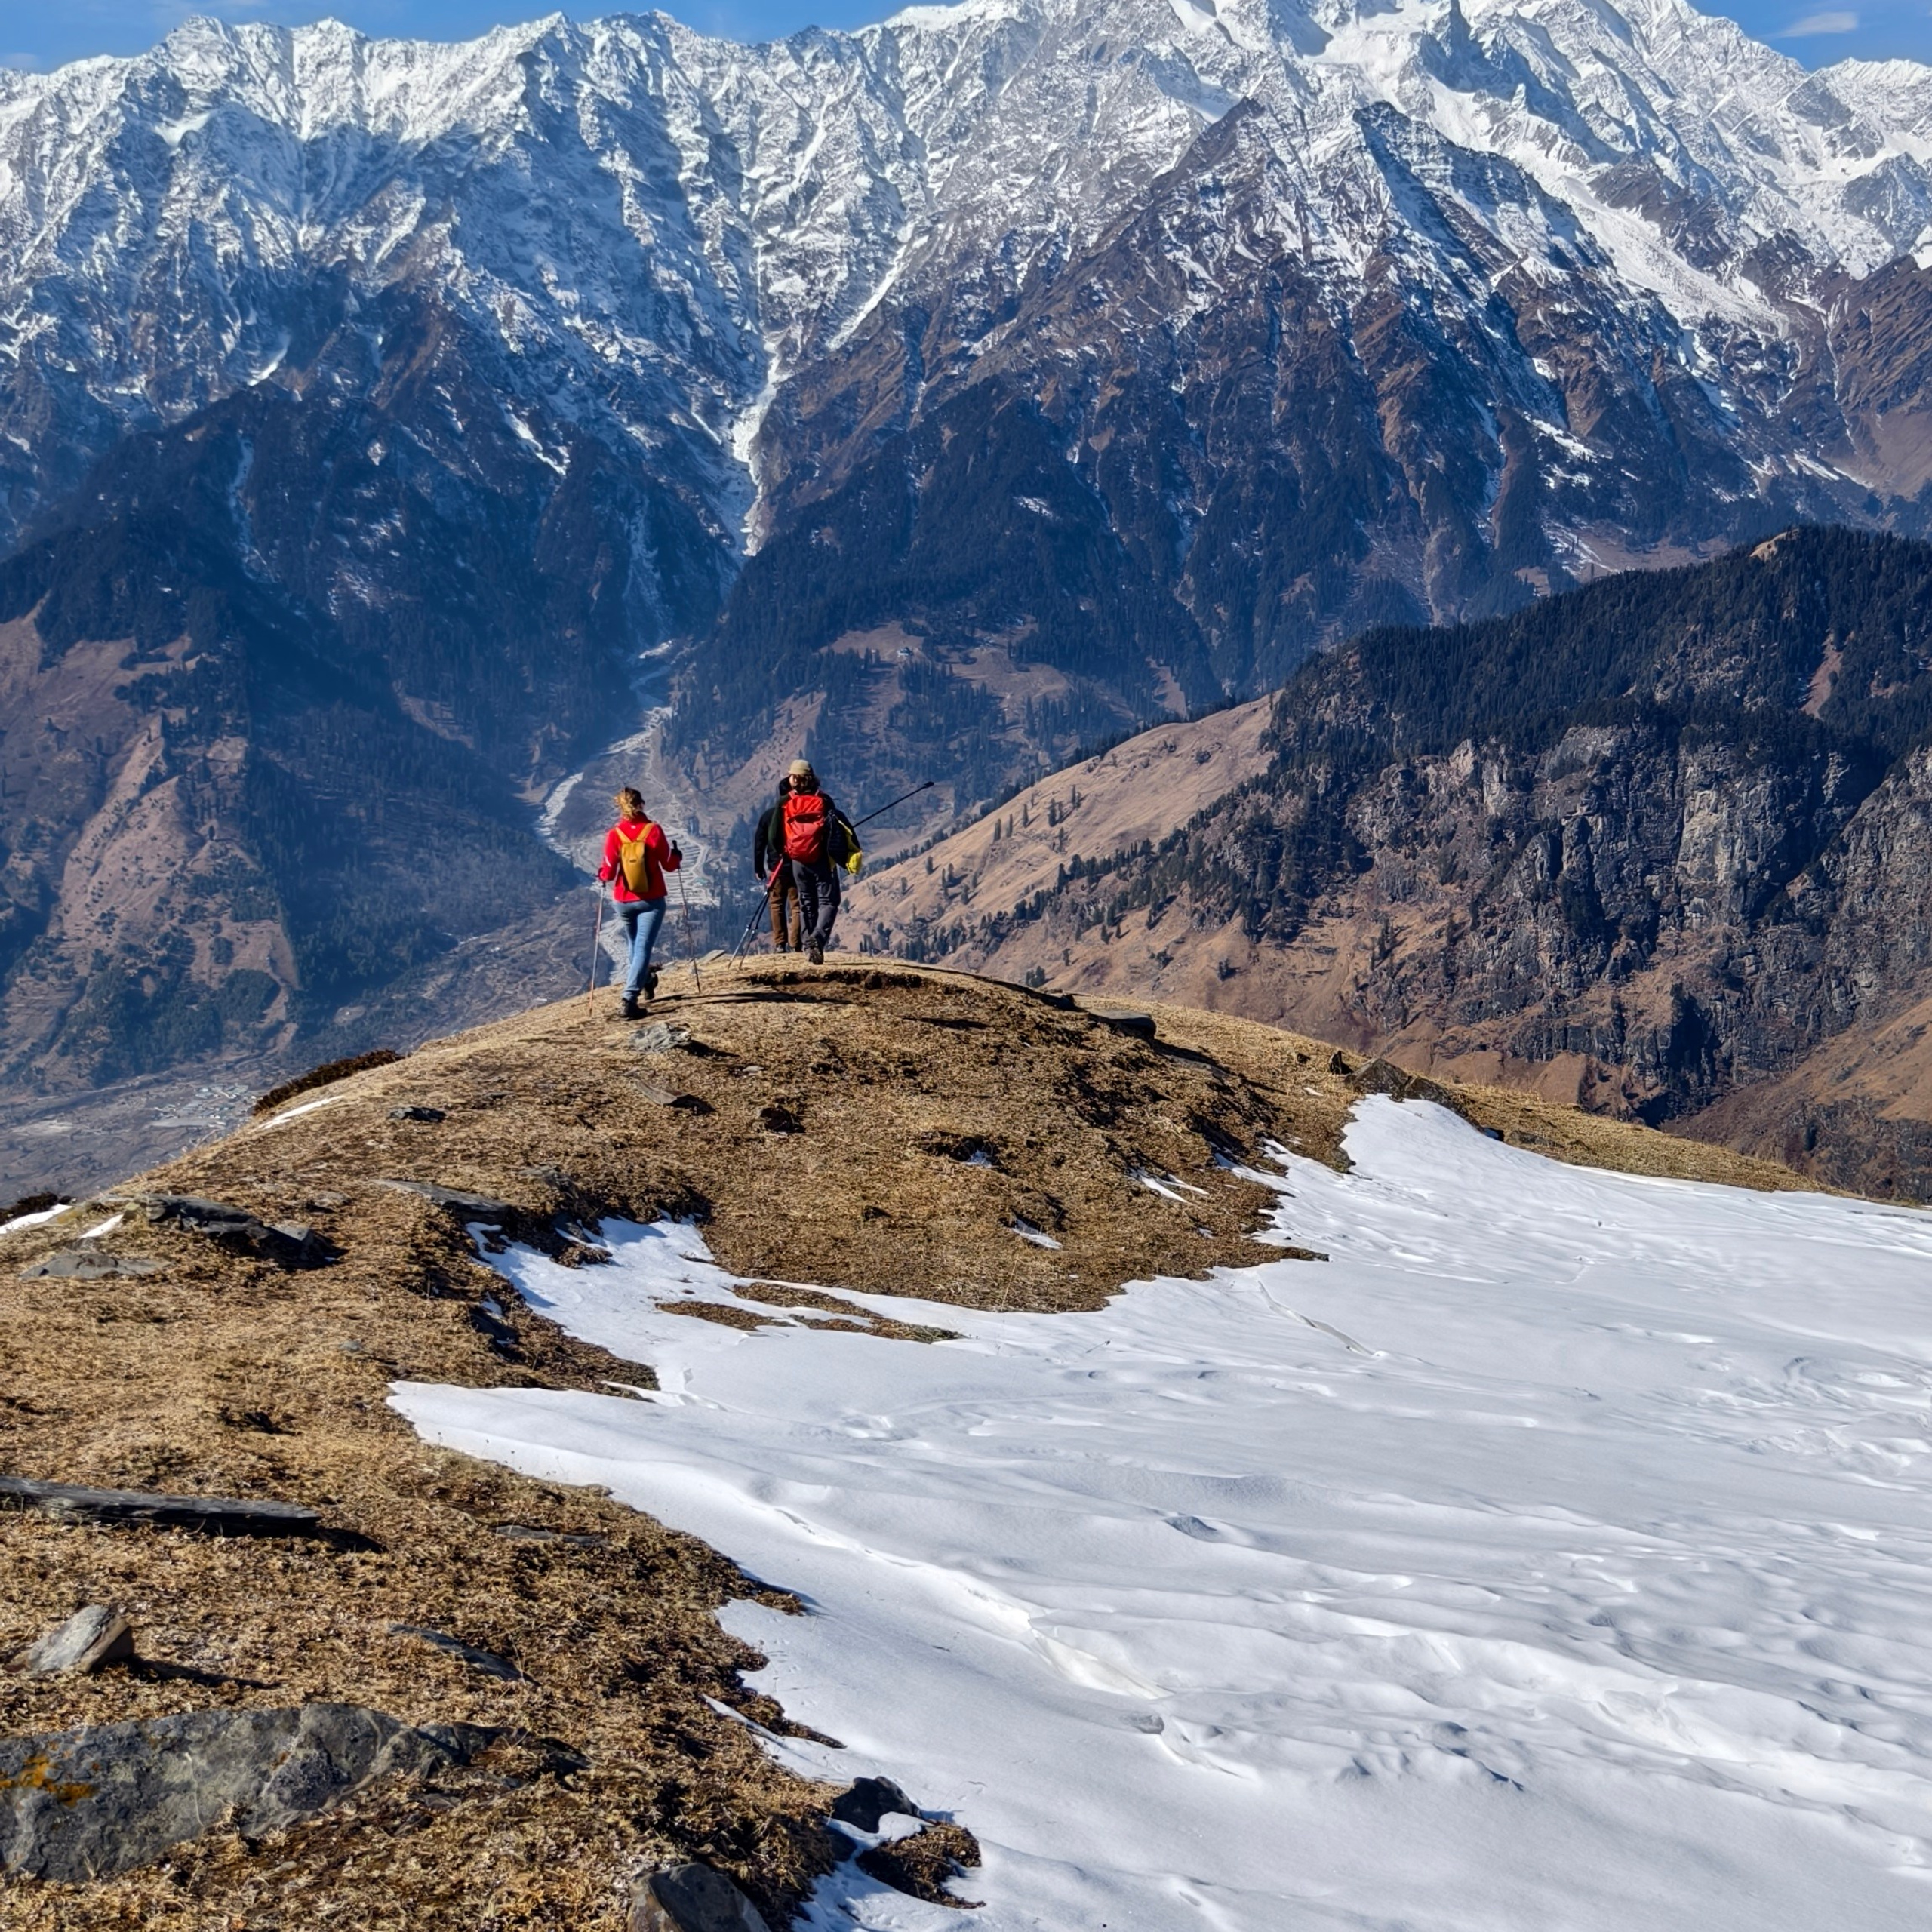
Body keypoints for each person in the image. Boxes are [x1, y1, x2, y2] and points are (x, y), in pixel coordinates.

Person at [596, 787, 681, 1019]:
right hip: (651, 899)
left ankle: (645, 979)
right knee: (642, 947)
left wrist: (601, 873)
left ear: (620, 807)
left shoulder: (615, 834)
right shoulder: (653, 831)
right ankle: (629, 998)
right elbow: (669, 864)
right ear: (642, 804)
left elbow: (608, 873)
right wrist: (677, 855)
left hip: (623, 900)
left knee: (635, 945)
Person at [778, 758, 856, 965]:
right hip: (822, 858)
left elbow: (776, 836)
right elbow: (835, 828)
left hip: (797, 860)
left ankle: (808, 944)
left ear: (794, 778)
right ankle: (818, 940)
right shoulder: (824, 800)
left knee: (806, 902)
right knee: (829, 902)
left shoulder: (785, 801)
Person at [752, 777, 804, 952]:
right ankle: (797, 944)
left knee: (776, 904)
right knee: (797, 906)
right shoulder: (800, 815)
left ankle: (780, 943)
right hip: (798, 865)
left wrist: (758, 868)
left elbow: (759, 843)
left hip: (777, 867)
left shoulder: (768, 816)